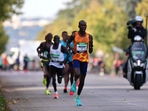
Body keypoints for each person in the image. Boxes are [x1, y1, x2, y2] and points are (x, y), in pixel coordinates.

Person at [68, 20, 93, 106]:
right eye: (81, 25)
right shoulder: (74, 35)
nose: (83, 27)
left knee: (82, 80)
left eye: (84, 25)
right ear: (78, 26)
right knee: (77, 73)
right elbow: (68, 43)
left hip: (85, 59)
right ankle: (74, 83)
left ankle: (78, 97)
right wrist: (72, 49)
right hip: (76, 57)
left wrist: (91, 45)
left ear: (86, 26)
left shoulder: (89, 36)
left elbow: (90, 50)